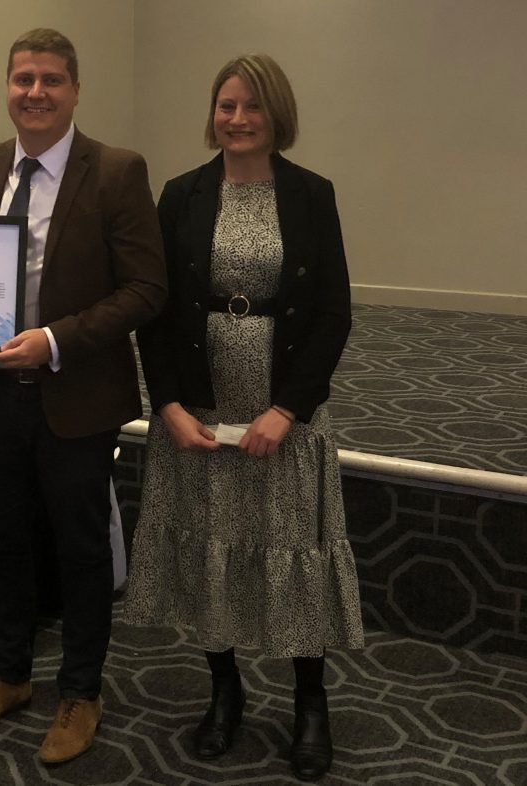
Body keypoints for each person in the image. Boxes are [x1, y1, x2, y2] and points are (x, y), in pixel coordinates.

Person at [123, 54, 364, 781]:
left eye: (251, 106)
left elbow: (331, 312)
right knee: (212, 545)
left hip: (280, 405)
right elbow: (155, 311)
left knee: (293, 549)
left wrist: (287, 408)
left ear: (275, 114)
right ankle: (223, 691)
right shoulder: (182, 195)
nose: (236, 119)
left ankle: (309, 702)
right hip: (199, 404)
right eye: (225, 105)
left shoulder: (311, 195)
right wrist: (164, 403)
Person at [0, 29, 166, 765]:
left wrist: (56, 339)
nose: (34, 93)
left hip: (75, 393)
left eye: (49, 81)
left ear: (75, 90)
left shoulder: (117, 171)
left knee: (77, 549)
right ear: (7, 87)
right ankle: (7, 675)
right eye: (22, 79)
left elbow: (146, 288)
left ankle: (80, 691)